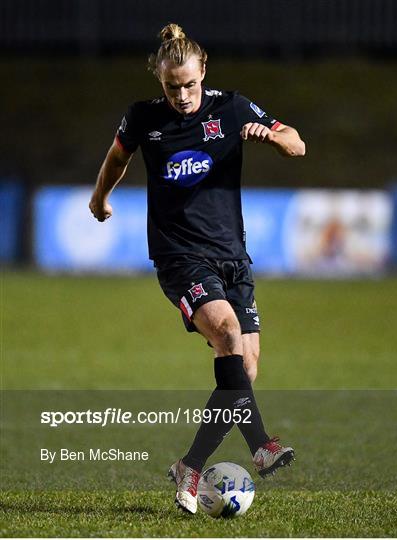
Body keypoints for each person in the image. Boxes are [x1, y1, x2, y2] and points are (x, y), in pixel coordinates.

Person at [89, 23, 305, 514]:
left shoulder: (231, 108)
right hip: (179, 254)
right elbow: (116, 158)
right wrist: (100, 198)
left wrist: (272, 138)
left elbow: (297, 143)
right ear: (159, 82)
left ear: (203, 71)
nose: (183, 95)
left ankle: (189, 466)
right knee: (228, 335)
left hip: (233, 255)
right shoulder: (143, 118)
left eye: (189, 83)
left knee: (244, 371)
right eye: (172, 86)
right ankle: (261, 446)